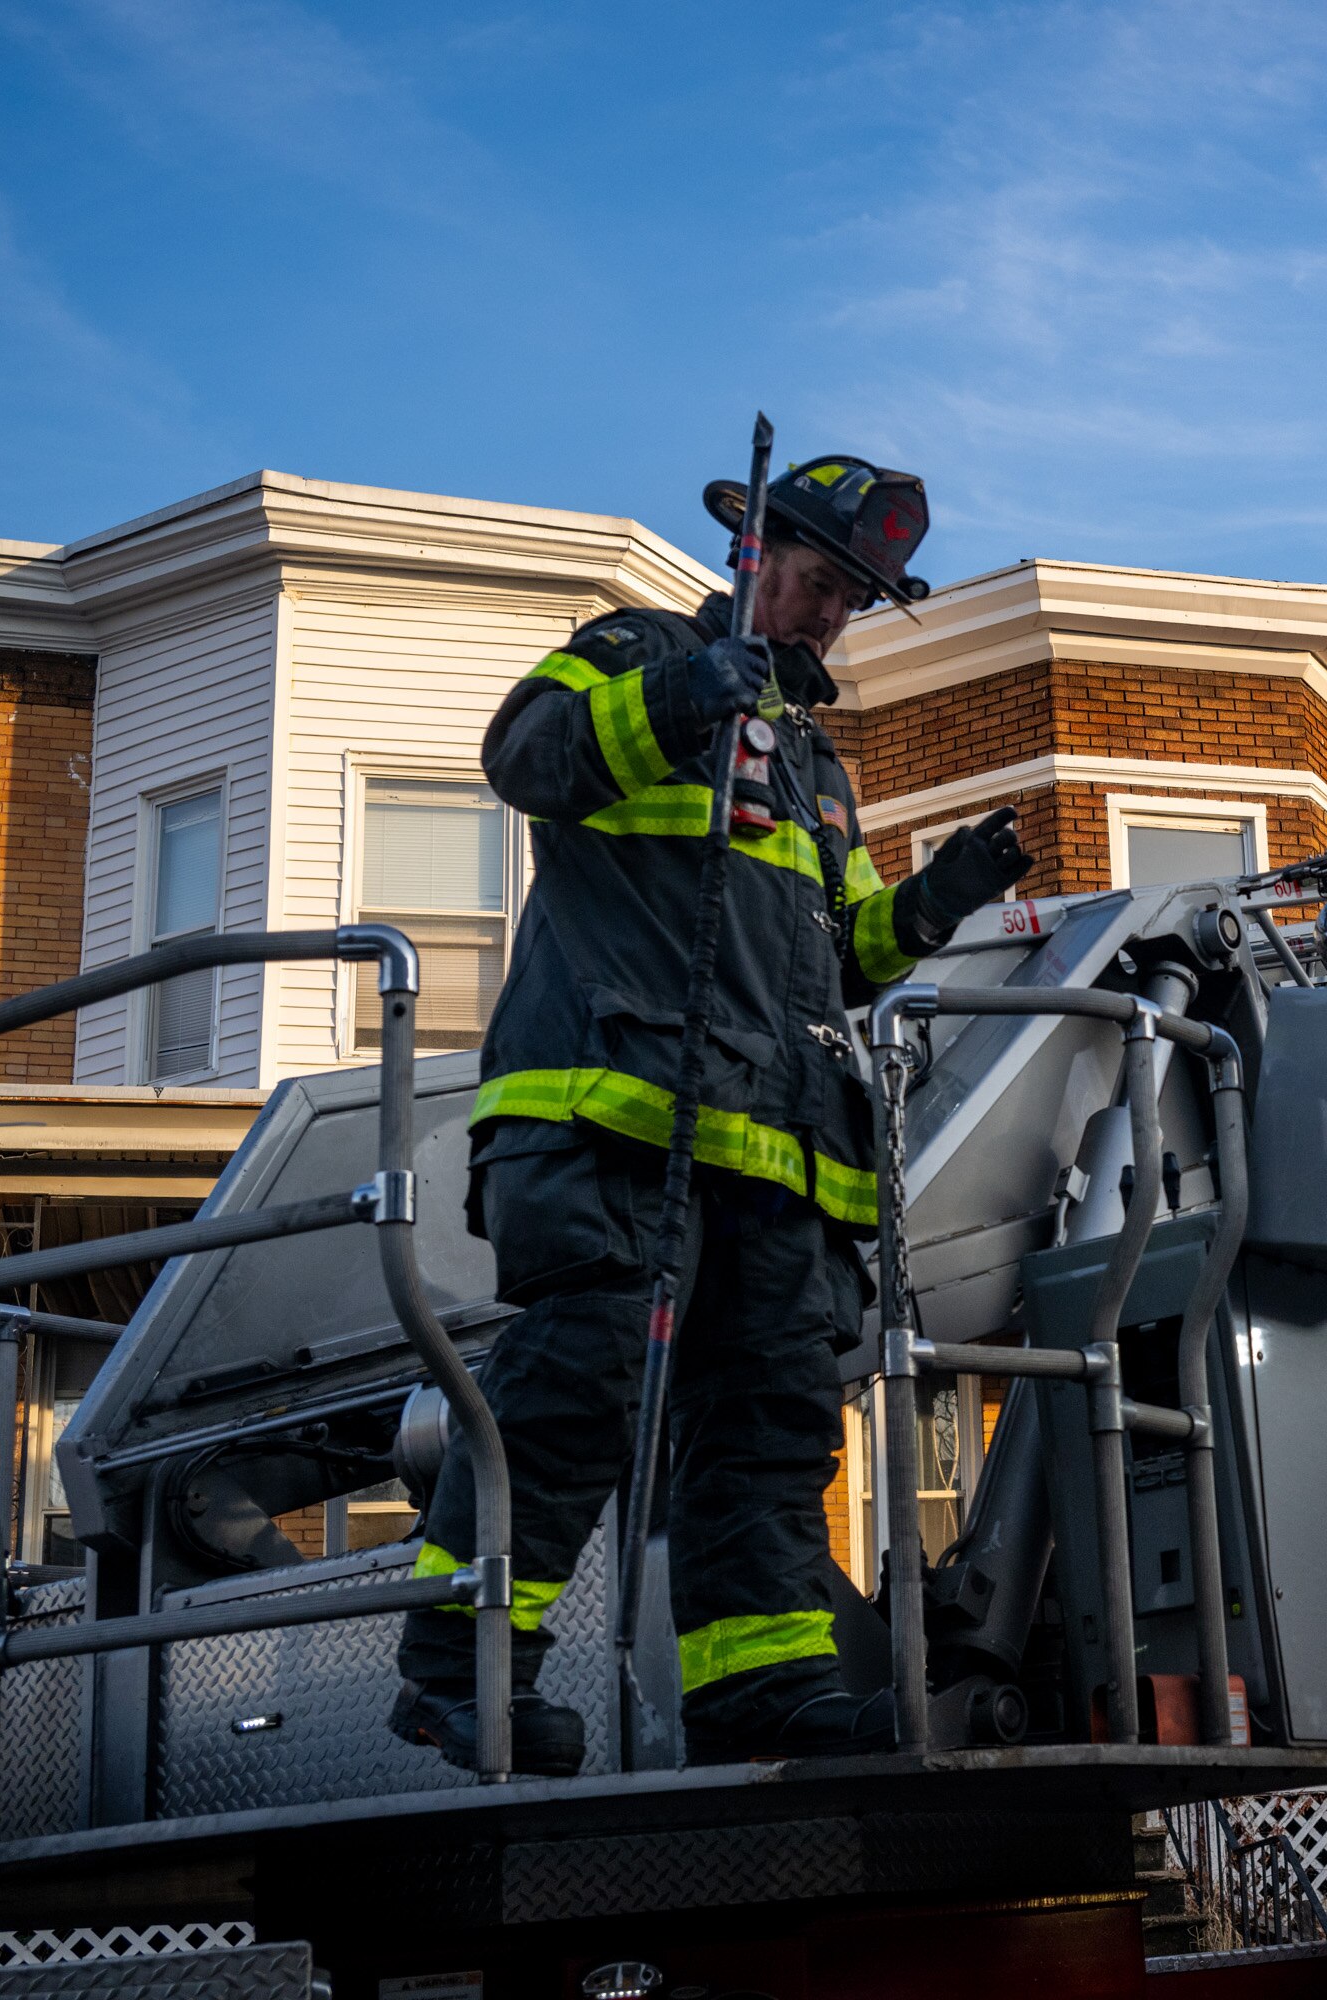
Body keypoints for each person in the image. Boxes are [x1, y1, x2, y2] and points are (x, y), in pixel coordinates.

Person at [392, 453, 1033, 1773]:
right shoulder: (628, 654)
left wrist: (944, 894)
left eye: (852, 599)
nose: (827, 616)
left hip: (772, 1154)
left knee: (771, 1425)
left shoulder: (816, 768)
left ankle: (761, 1689)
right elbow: (525, 757)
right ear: (753, 556)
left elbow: (843, 955)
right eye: (814, 582)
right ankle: (457, 1667)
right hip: (612, 1116)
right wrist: (689, 689)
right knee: (580, 1382)